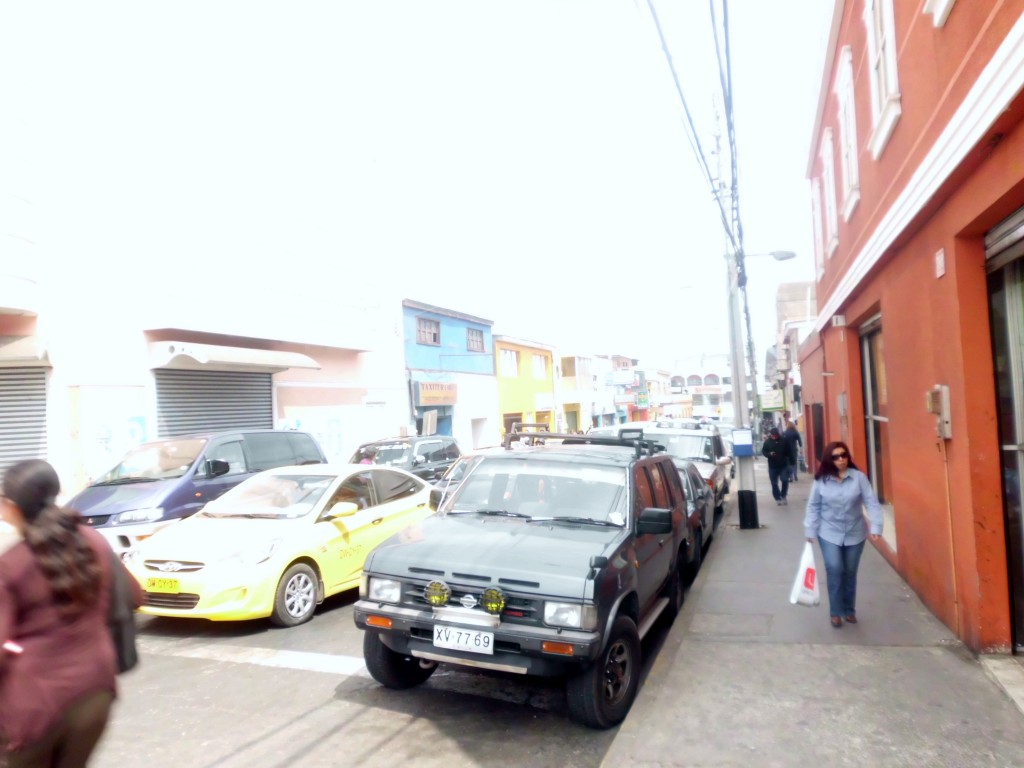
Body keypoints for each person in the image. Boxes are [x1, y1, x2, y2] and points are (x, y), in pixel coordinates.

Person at [0, 459, 142, 767]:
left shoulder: (12, 565)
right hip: (95, 692)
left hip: (35, 706)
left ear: (11, 507)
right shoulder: (93, 540)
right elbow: (134, 595)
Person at [803, 442, 884, 628]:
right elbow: (813, 506)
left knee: (849, 572)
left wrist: (876, 526)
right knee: (834, 568)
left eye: (844, 455)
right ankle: (835, 612)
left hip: (855, 533)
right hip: (828, 531)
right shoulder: (821, 481)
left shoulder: (858, 478)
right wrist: (810, 529)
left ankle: (849, 610)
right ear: (829, 460)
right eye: (836, 457)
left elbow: (871, 502)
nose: (841, 459)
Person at [761, 426, 790, 505]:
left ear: (778, 434)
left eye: (775, 435)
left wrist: (790, 462)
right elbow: (763, 451)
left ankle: (783, 495)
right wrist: (769, 454)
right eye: (773, 435)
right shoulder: (767, 442)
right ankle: (777, 498)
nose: (774, 437)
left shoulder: (784, 441)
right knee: (774, 483)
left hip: (783, 465)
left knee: (784, 480)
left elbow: (789, 451)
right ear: (771, 435)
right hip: (772, 466)